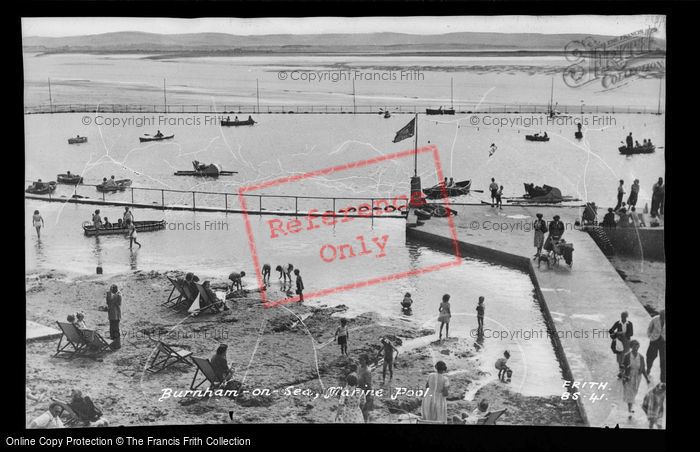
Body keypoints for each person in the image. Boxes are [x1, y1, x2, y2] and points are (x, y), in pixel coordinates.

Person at [622, 340, 650, 418]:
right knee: (629, 392)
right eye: (634, 346)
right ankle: (629, 409)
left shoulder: (641, 357)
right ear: (631, 347)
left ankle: (630, 407)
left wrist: (647, 379)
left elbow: (643, 369)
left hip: (637, 377)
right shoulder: (627, 356)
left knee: (634, 391)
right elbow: (623, 367)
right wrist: (624, 375)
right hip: (629, 376)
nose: (636, 348)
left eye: (637, 346)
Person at [609, 311, 634, 377]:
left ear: (626, 317)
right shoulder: (618, 323)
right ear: (621, 317)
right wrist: (616, 335)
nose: (623, 318)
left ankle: (622, 372)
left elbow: (631, 333)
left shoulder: (629, 324)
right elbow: (611, 330)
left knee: (625, 356)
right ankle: (622, 371)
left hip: (626, 342)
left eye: (624, 317)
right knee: (619, 357)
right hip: (619, 342)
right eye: (622, 317)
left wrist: (624, 335)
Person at [646, 309, 665, 383]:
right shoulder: (654, 319)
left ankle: (663, 380)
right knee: (650, 356)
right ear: (660, 314)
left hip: (663, 342)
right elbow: (649, 329)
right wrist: (650, 337)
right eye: (662, 315)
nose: (663, 317)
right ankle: (648, 369)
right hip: (654, 340)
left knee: (663, 361)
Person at [357, 354, 373, 423]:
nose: (360, 361)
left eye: (361, 359)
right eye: (359, 359)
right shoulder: (359, 367)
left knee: (364, 411)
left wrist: (367, 395)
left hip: (365, 393)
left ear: (366, 360)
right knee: (359, 410)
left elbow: (368, 385)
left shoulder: (367, 371)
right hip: (359, 391)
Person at [106, 284, 122, 349]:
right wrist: (109, 295)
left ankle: (117, 344)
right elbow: (108, 302)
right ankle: (113, 343)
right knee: (112, 329)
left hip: (116, 315)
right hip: (111, 315)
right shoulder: (112, 296)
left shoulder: (118, 295)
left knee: (116, 330)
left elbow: (118, 303)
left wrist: (112, 298)